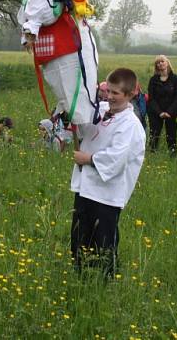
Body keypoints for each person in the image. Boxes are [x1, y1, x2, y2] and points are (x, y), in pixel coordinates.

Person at [17, 0, 99, 126]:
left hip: (68, 48)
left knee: (79, 97)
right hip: (62, 49)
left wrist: (29, 34)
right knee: (72, 98)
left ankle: (86, 142)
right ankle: (77, 137)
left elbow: (41, 12)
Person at [70, 67, 145, 278]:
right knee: (79, 239)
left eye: (115, 93)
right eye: (108, 91)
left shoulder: (130, 125)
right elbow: (85, 127)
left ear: (130, 95)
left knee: (103, 243)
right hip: (85, 188)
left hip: (107, 195)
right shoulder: (101, 110)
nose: (109, 96)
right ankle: (80, 277)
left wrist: (88, 158)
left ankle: (105, 282)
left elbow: (116, 159)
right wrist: (72, 112)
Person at [147, 55, 177, 155]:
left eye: (162, 61)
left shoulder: (176, 79)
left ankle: (173, 154)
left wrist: (169, 112)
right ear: (156, 66)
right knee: (154, 134)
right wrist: (160, 112)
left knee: (171, 135)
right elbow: (151, 98)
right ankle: (152, 154)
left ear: (167, 63)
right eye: (158, 63)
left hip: (172, 112)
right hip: (155, 112)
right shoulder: (153, 80)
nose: (160, 64)